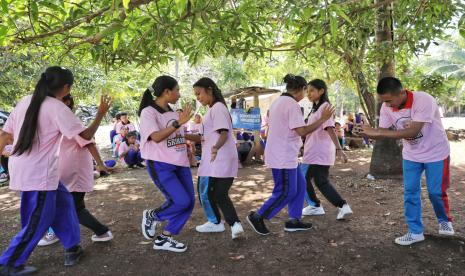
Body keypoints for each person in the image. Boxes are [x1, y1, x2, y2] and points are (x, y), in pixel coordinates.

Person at [0, 66, 111, 275]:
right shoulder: (57, 107)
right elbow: (85, 137)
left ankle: (72, 247)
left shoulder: (26, 101)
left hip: (33, 170)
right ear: (66, 87)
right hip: (38, 175)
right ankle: (9, 263)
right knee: (38, 220)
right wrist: (100, 115)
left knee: (64, 204)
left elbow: (5, 134)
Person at [360, 77, 453, 246]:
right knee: (410, 192)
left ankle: (444, 220)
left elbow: (413, 131)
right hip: (411, 155)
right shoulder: (386, 106)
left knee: (435, 192)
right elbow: (383, 130)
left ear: (402, 92)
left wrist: (378, 134)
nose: (387, 105)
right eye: (383, 101)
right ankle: (415, 232)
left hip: (436, 153)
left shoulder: (423, 99)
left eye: (389, 100)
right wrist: (369, 132)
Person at [246, 74, 334, 235]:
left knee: (300, 186)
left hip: (286, 154)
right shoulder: (291, 104)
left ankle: (294, 220)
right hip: (283, 156)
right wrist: (322, 119)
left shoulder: (278, 102)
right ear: (300, 89)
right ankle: (258, 216)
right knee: (286, 191)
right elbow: (302, 130)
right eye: (306, 90)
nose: (306, 95)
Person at [38, 94, 113, 247]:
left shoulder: (69, 119)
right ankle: (101, 232)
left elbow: (89, 141)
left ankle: (101, 231)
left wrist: (100, 164)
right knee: (67, 205)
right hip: (64, 170)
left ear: (66, 102)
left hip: (73, 172)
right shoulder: (55, 119)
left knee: (72, 207)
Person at [139, 75, 195, 253]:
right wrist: (179, 122)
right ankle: (153, 215)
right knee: (181, 200)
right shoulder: (149, 112)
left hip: (180, 163)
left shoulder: (173, 112)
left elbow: (178, 136)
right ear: (166, 91)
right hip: (161, 163)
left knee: (189, 202)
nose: (179, 94)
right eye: (177, 90)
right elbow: (155, 137)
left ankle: (165, 238)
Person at [192, 77, 244, 240]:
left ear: (209, 89)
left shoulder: (218, 108)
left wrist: (215, 148)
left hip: (217, 159)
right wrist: (180, 135)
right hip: (218, 159)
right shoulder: (212, 110)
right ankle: (235, 225)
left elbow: (224, 132)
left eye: (199, 93)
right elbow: (203, 136)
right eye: (196, 95)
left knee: (206, 191)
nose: (198, 97)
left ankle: (215, 223)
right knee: (219, 194)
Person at [300, 79, 353, 220]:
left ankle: (315, 206)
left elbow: (330, 129)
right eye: (307, 91)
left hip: (317, 152)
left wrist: (339, 149)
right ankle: (342, 205)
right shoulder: (316, 108)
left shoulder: (325, 107)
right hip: (316, 151)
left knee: (302, 178)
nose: (308, 93)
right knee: (320, 181)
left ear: (321, 91)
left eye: (312, 90)